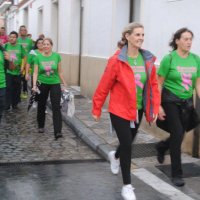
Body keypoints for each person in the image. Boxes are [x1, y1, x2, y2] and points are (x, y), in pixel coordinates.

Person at [92, 22, 160, 200]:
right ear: (127, 36)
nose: (141, 38)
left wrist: (153, 108)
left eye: (142, 35)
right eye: (137, 34)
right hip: (119, 109)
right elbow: (104, 85)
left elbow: (152, 86)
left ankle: (115, 155)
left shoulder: (147, 59)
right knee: (128, 145)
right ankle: (127, 186)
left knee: (127, 142)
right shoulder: (116, 60)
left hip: (137, 109)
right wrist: (97, 107)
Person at [156, 27, 200, 187]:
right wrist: (158, 105)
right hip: (170, 101)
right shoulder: (170, 59)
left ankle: (162, 146)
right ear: (177, 41)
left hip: (187, 102)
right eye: (186, 39)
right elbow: (158, 83)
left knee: (183, 131)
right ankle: (177, 174)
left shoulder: (196, 59)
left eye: (190, 39)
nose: (189, 42)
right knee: (177, 136)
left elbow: (197, 83)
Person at [32, 38, 67, 140]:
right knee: (42, 104)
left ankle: (58, 131)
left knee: (56, 106)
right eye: (44, 44)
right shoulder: (38, 57)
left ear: (51, 46)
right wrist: (34, 85)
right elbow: (35, 73)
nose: (46, 46)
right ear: (42, 46)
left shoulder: (57, 56)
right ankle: (41, 125)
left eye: (48, 44)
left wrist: (64, 83)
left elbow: (60, 72)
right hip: (42, 83)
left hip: (55, 83)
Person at [4, 31, 26, 110]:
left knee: (17, 88)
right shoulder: (5, 46)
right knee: (8, 87)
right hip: (8, 71)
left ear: (17, 38)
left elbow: (24, 57)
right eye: (10, 37)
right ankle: (7, 104)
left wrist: (22, 67)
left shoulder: (20, 47)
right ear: (8, 37)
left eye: (14, 37)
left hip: (18, 71)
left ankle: (15, 103)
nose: (12, 38)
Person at [17, 25, 34, 99]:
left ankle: (25, 91)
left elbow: (32, 51)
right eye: (21, 30)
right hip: (19, 62)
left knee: (25, 78)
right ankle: (18, 92)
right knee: (18, 78)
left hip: (27, 62)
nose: (23, 31)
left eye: (24, 30)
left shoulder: (30, 40)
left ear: (26, 31)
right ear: (19, 31)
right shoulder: (17, 40)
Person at [0, 45, 6, 123]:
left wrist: (10, 59)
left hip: (2, 84)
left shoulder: (2, 51)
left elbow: (11, 67)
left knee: (1, 107)